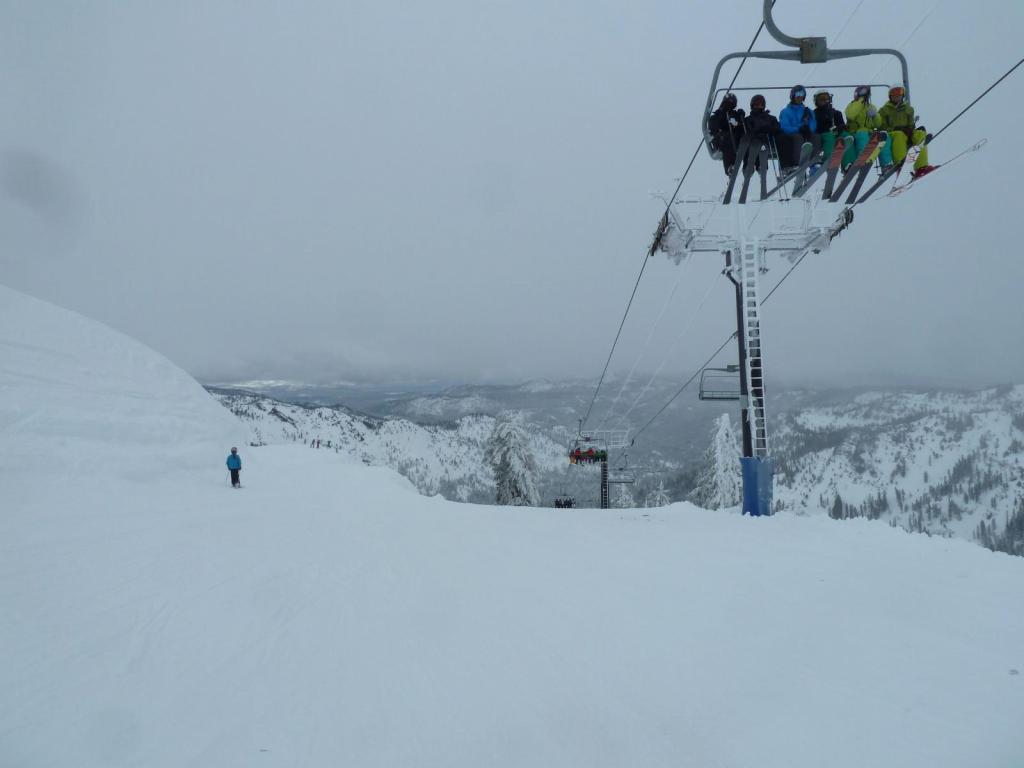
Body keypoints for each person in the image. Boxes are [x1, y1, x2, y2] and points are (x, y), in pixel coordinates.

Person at [879, 85, 935, 178]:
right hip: (892, 134)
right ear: (890, 96)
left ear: (903, 95)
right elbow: (882, 127)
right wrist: (896, 129)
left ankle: (921, 167)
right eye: (894, 93)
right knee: (899, 135)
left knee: (920, 134)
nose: (897, 95)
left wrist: (911, 129)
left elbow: (911, 124)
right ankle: (901, 164)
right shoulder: (884, 110)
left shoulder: (908, 109)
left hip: (906, 133)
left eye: (899, 93)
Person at [844, 85, 893, 169]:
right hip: (855, 132)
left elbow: (878, 124)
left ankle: (886, 163)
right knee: (862, 134)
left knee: (884, 137)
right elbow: (850, 115)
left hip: (869, 132)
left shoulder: (871, 107)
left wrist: (875, 116)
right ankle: (863, 158)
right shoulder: (852, 105)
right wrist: (860, 101)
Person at [778, 85, 822, 171]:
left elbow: (813, 123)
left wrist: (808, 129)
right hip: (793, 134)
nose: (799, 96)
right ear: (793, 96)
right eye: (797, 94)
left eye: (802, 94)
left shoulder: (808, 111)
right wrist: (799, 129)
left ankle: (814, 162)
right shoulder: (786, 111)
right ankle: (797, 162)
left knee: (816, 137)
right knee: (798, 137)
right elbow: (785, 126)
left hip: (806, 133)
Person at [708, 92, 746, 176]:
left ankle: (750, 165)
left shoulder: (735, 115)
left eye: (732, 105)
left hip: (735, 139)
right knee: (727, 138)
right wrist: (724, 125)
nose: (729, 106)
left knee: (745, 137)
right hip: (722, 140)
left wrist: (741, 117)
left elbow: (741, 127)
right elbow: (714, 129)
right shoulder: (716, 116)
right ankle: (730, 167)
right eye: (727, 104)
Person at [812, 90, 852, 166]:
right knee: (829, 137)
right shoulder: (815, 114)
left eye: (826, 98)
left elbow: (842, 125)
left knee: (846, 136)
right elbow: (815, 128)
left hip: (836, 133)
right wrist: (827, 129)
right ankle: (829, 159)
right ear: (817, 101)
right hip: (824, 134)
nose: (824, 101)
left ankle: (848, 163)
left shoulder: (836, 113)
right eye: (821, 99)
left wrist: (839, 128)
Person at [743, 94, 782, 172]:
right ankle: (749, 166)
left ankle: (762, 165)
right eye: (757, 104)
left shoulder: (771, 118)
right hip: (753, 141)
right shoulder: (748, 119)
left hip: (768, 141)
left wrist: (770, 129)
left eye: (761, 104)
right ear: (752, 105)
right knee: (752, 142)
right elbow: (747, 130)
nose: (759, 106)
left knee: (764, 140)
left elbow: (778, 129)